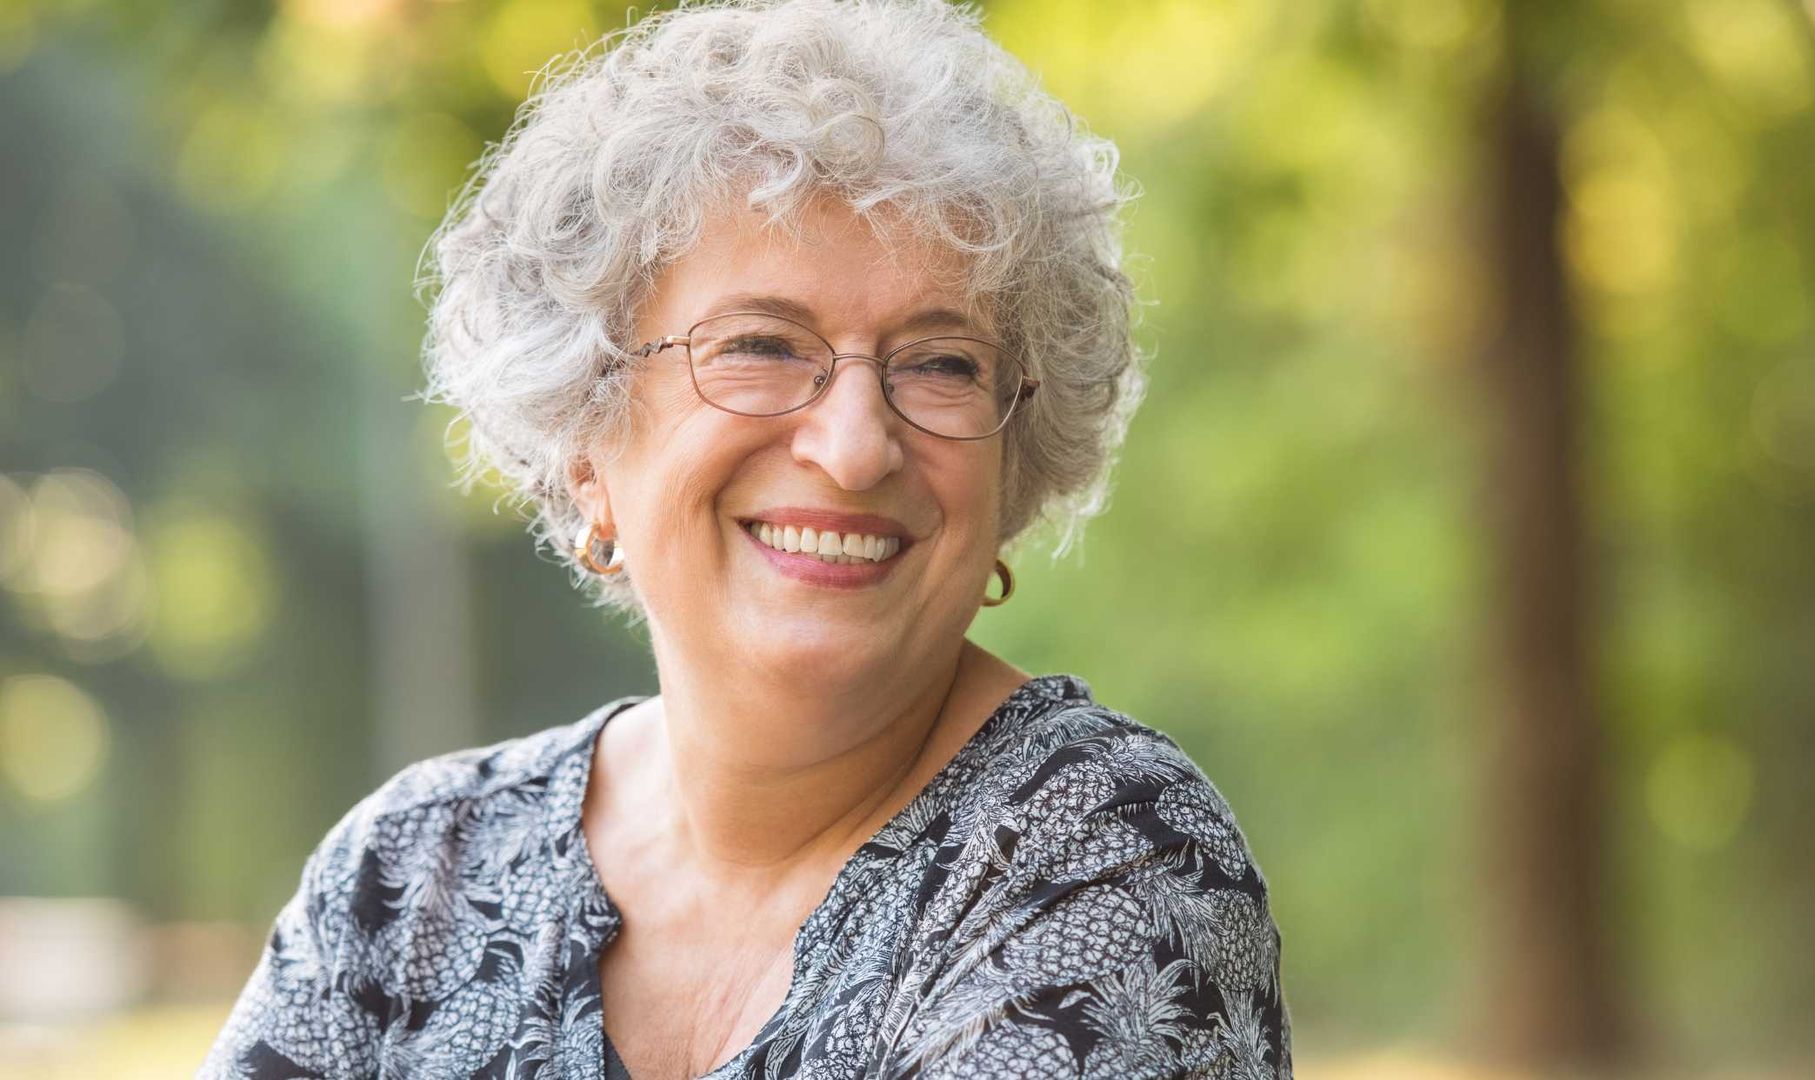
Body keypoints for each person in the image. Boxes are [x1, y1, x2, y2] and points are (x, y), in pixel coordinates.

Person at [200, 0, 1292, 1077]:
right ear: (588, 437)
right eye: (763, 344)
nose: (857, 445)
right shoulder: (409, 876)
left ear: (1015, 464)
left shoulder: (1105, 853)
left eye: (940, 362)